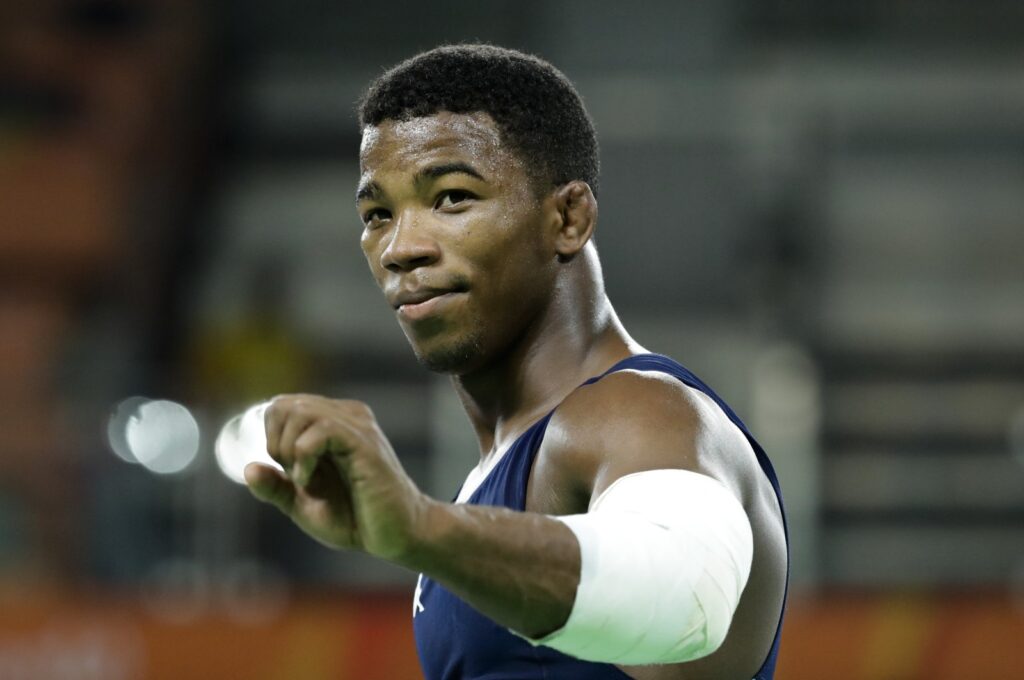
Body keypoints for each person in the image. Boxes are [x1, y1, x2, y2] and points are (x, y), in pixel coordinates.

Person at [243, 44, 788, 680]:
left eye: (451, 198)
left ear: (568, 217)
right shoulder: (488, 479)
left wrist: (423, 529)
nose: (400, 248)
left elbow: (688, 597)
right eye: (377, 214)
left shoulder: (640, 411)